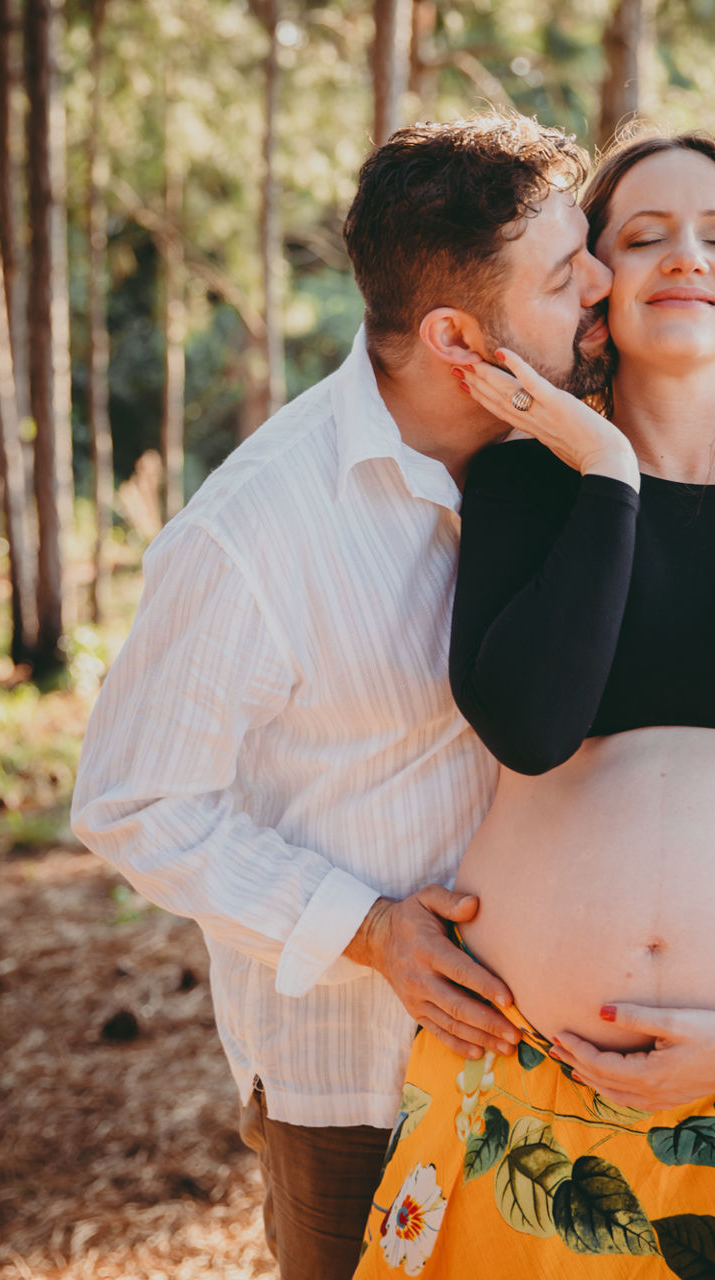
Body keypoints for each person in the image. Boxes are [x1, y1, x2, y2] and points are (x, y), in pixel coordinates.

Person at [353, 130, 715, 1279]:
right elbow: (529, 725)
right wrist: (609, 476)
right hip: (522, 1095)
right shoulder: (525, 479)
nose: (686, 257)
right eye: (642, 236)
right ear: (594, 286)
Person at [70, 113, 624, 1280]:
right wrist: (367, 931)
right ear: (457, 335)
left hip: (569, 1069)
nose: (602, 285)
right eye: (566, 274)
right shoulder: (254, 531)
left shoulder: (573, 453)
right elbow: (134, 799)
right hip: (359, 1086)